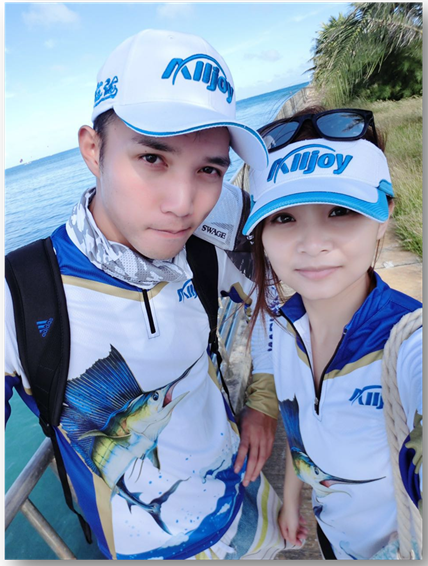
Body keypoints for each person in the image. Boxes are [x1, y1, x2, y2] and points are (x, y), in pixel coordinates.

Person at [5, 29, 284, 560]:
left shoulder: (219, 224)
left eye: (209, 169)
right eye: (153, 158)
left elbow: (270, 304)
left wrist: (263, 401)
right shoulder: (17, 295)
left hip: (249, 507)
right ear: (93, 150)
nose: (183, 203)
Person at [244, 107, 423, 559]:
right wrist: (293, 499)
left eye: (339, 211)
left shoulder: (408, 344)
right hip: (331, 538)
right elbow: (297, 423)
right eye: (283, 218)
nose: (311, 244)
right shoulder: (284, 327)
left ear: (384, 216)